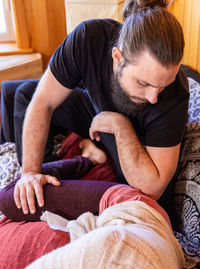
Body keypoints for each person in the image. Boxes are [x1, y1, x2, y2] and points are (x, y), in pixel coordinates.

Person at [10, 0, 189, 217]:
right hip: (97, 115)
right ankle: (49, 174)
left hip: (136, 145)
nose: (153, 98)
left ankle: (92, 157)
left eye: (162, 86)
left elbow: (153, 188)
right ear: (117, 58)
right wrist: (30, 172)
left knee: (139, 194)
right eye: (144, 83)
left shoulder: (175, 94)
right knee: (24, 93)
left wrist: (119, 124)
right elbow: (43, 101)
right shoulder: (88, 38)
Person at [0, 183, 187, 269]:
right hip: (131, 207)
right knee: (10, 198)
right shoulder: (99, 251)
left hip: (152, 243)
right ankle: (87, 158)